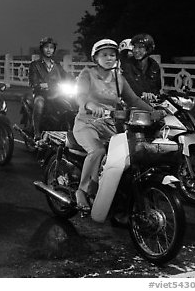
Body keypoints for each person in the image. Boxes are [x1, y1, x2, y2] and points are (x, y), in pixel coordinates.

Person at [73, 39, 153, 211]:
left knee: (124, 157)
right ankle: (82, 190)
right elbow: (80, 95)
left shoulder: (118, 79)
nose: (109, 58)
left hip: (110, 126)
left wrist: (154, 112)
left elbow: (134, 100)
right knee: (98, 151)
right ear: (96, 58)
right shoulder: (87, 74)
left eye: (112, 55)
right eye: (104, 55)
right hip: (87, 123)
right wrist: (90, 105)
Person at [27, 37, 72, 142]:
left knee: (70, 104)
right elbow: (32, 81)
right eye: (46, 47)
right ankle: (36, 132)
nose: (49, 50)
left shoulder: (57, 65)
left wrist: (77, 80)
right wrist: (39, 85)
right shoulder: (35, 65)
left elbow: (66, 76)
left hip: (56, 93)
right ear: (42, 49)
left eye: (51, 47)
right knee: (39, 104)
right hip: (41, 94)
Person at [121, 33, 162, 102]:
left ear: (148, 49)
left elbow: (156, 88)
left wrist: (152, 95)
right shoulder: (127, 64)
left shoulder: (154, 65)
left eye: (140, 47)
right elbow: (130, 85)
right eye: (134, 47)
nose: (136, 50)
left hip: (150, 103)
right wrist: (143, 93)